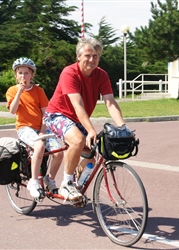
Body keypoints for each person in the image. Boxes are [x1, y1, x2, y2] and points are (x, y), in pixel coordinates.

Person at [43, 38, 125, 202]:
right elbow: (78, 105)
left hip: (76, 119)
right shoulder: (69, 73)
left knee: (92, 156)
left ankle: (76, 185)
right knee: (78, 139)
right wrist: (91, 130)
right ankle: (66, 183)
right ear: (78, 57)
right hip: (57, 115)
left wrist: (123, 127)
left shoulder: (101, 75)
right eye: (87, 55)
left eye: (95, 56)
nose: (91, 59)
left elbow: (110, 101)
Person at [6, 57, 63, 198]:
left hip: (41, 128)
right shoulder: (12, 91)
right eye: (20, 73)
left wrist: (43, 131)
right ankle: (34, 181)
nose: (23, 76)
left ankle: (49, 179)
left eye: (26, 73)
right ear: (16, 75)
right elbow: (13, 111)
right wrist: (20, 91)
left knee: (59, 152)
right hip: (24, 128)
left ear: (32, 75)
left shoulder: (38, 91)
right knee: (39, 146)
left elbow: (46, 114)